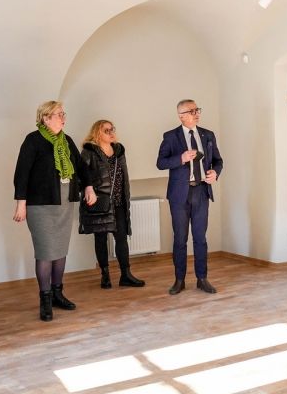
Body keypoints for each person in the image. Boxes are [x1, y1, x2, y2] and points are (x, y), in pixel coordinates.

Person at [12, 101, 96, 321]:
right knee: (45, 252)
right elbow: (21, 173)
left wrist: (89, 187)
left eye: (63, 114)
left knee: (60, 250)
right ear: (46, 118)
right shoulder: (33, 140)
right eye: (59, 114)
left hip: (64, 204)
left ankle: (58, 293)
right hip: (40, 206)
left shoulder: (66, 140)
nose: (63, 118)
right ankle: (45, 299)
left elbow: (81, 167)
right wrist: (21, 203)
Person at [156, 99, 224, 295]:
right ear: (181, 116)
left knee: (200, 238)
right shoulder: (171, 137)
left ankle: (202, 279)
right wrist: (181, 158)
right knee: (180, 239)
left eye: (197, 110)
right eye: (192, 111)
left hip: (201, 191)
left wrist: (215, 173)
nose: (197, 113)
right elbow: (160, 163)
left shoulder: (208, 135)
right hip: (179, 195)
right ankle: (179, 280)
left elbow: (218, 161)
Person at [79, 119, 145, 289]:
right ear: (97, 133)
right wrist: (89, 192)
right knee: (100, 238)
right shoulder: (89, 151)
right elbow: (81, 176)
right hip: (99, 203)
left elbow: (123, 176)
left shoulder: (119, 150)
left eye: (112, 129)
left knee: (121, 238)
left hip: (119, 201)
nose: (111, 133)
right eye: (106, 130)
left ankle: (126, 275)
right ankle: (105, 275)